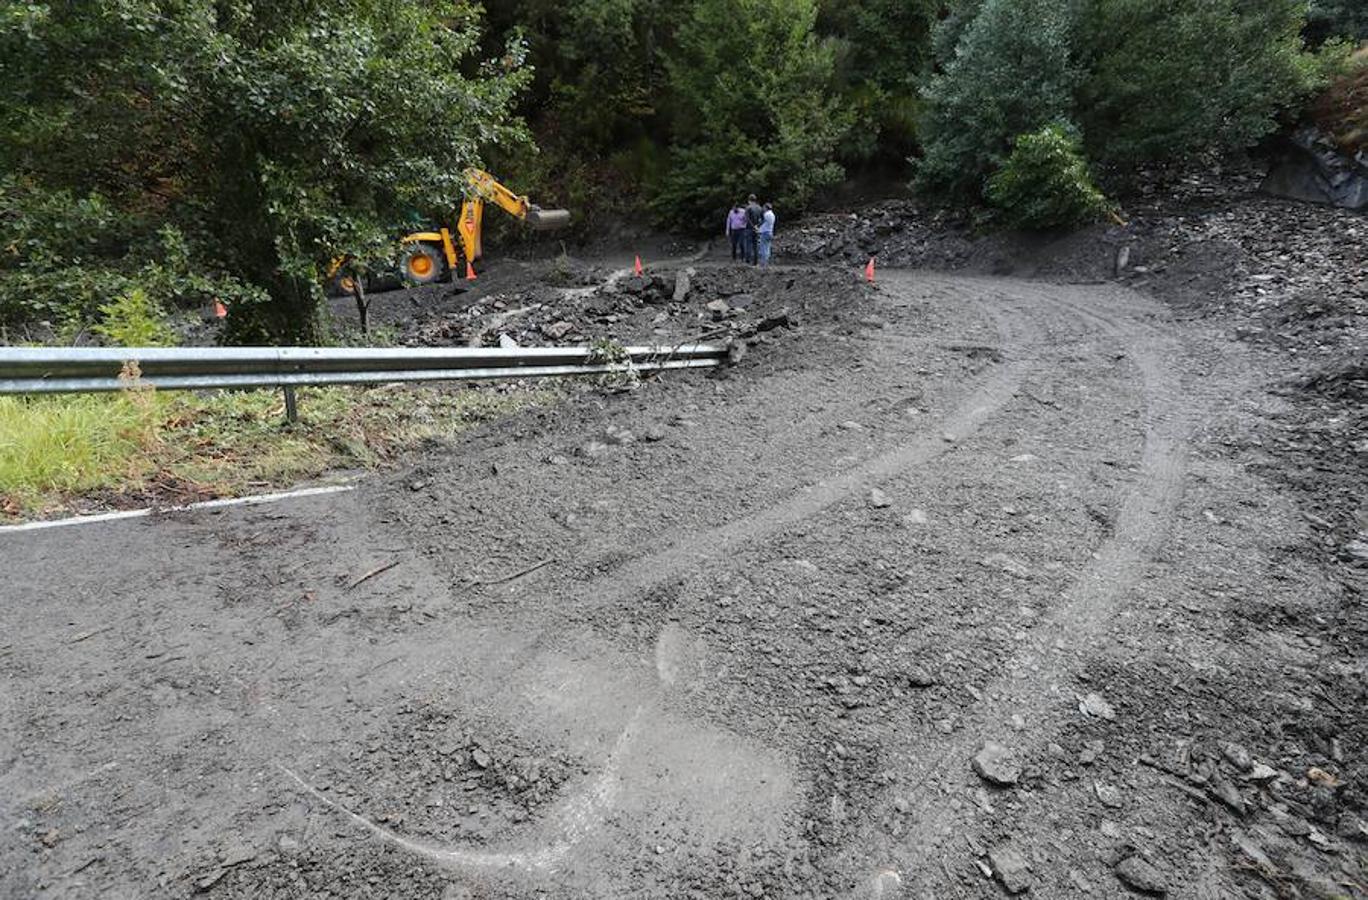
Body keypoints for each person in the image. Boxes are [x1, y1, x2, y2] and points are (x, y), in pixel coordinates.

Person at [744, 194, 764, 265]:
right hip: (757, 229)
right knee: (755, 246)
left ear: (749, 200)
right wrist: (757, 226)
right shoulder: (760, 208)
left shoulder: (748, 208)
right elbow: (763, 219)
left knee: (748, 245)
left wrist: (752, 226)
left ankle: (747, 261)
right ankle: (755, 262)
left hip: (749, 229)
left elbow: (747, 219)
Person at [758, 203, 776, 267]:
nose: (763, 209)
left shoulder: (766, 214)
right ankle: (767, 263)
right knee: (767, 248)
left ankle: (763, 264)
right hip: (770, 232)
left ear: (766, 208)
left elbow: (761, 222)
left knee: (763, 248)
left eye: (764, 207)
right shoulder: (772, 214)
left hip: (765, 232)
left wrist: (758, 227)